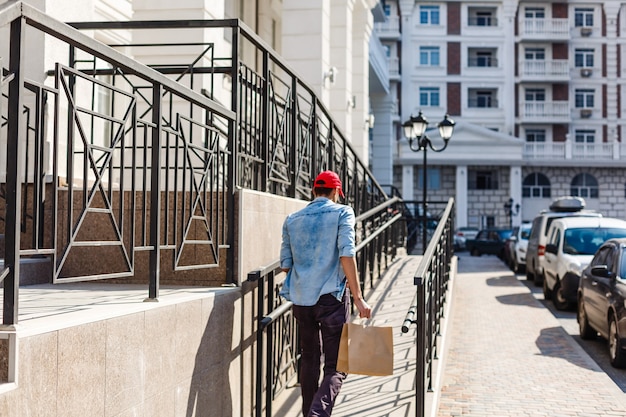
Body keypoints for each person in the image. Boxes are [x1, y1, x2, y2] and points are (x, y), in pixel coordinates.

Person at [279, 170, 372, 417]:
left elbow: (286, 264)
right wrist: (358, 297)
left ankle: (309, 410)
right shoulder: (343, 212)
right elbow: (347, 254)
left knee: (309, 359)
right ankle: (317, 414)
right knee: (337, 366)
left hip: (301, 300)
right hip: (331, 298)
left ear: (313, 191)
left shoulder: (292, 219)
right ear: (335, 193)